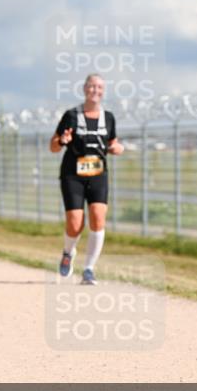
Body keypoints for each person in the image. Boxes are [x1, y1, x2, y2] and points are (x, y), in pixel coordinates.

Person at [50, 73, 124, 285]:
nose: (95, 90)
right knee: (75, 223)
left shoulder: (108, 118)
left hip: (98, 174)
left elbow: (114, 142)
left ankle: (89, 269)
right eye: (91, 86)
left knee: (98, 218)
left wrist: (117, 148)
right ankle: (68, 252)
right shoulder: (71, 116)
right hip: (72, 175)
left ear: (103, 91)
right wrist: (62, 140)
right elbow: (53, 146)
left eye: (99, 87)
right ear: (84, 89)